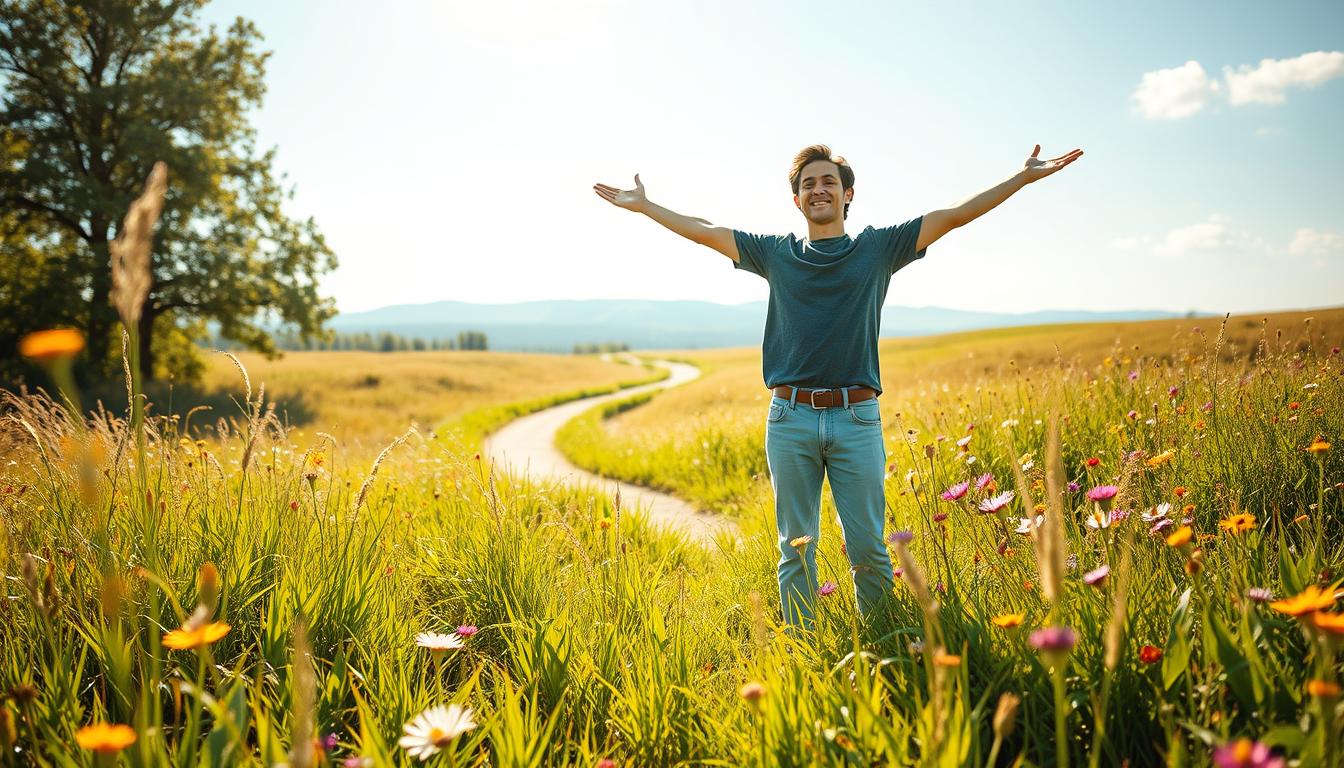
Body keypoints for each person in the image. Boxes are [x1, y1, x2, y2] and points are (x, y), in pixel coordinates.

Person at [593, 143, 1083, 628]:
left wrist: (1021, 179)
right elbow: (705, 232)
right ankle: (804, 650)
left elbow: (954, 215)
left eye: (828, 181)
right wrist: (647, 207)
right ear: (797, 201)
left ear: (848, 195)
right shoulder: (775, 254)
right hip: (789, 418)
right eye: (808, 184)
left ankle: (881, 641)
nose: (819, 189)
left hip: (856, 419)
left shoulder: (877, 249)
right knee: (795, 546)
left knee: (869, 545)